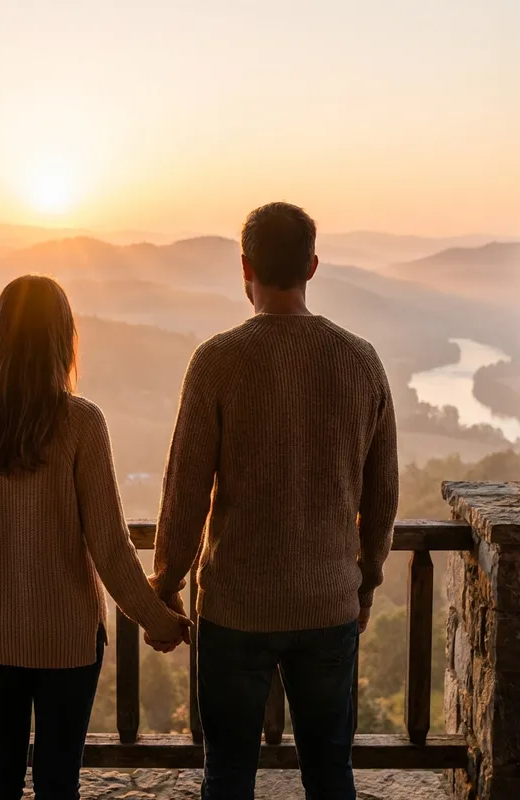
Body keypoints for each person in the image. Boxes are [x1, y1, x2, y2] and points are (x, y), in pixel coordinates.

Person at [149, 202, 399, 800]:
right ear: (312, 266)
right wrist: (363, 583)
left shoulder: (216, 361)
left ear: (245, 267)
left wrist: (166, 583)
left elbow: (185, 489)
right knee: (329, 772)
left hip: (235, 605)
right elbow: (382, 495)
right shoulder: (360, 361)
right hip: (327, 604)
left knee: (228, 774)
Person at [0, 275, 189, 800]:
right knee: (58, 782)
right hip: (65, 643)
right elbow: (110, 546)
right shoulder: (80, 422)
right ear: (64, 338)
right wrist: (161, 620)